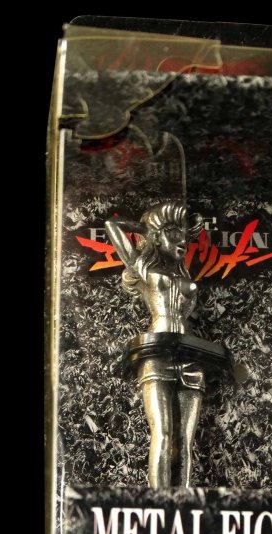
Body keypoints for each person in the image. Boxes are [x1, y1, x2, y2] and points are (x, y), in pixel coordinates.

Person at [105, 202, 204, 488]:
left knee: (185, 440)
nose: (182, 240)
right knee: (161, 433)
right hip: (155, 353)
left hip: (190, 355)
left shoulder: (184, 275)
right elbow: (112, 226)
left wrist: (165, 232)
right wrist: (145, 228)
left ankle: (184, 501)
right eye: (174, 233)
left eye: (184, 235)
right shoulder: (145, 269)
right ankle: (158, 500)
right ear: (158, 237)